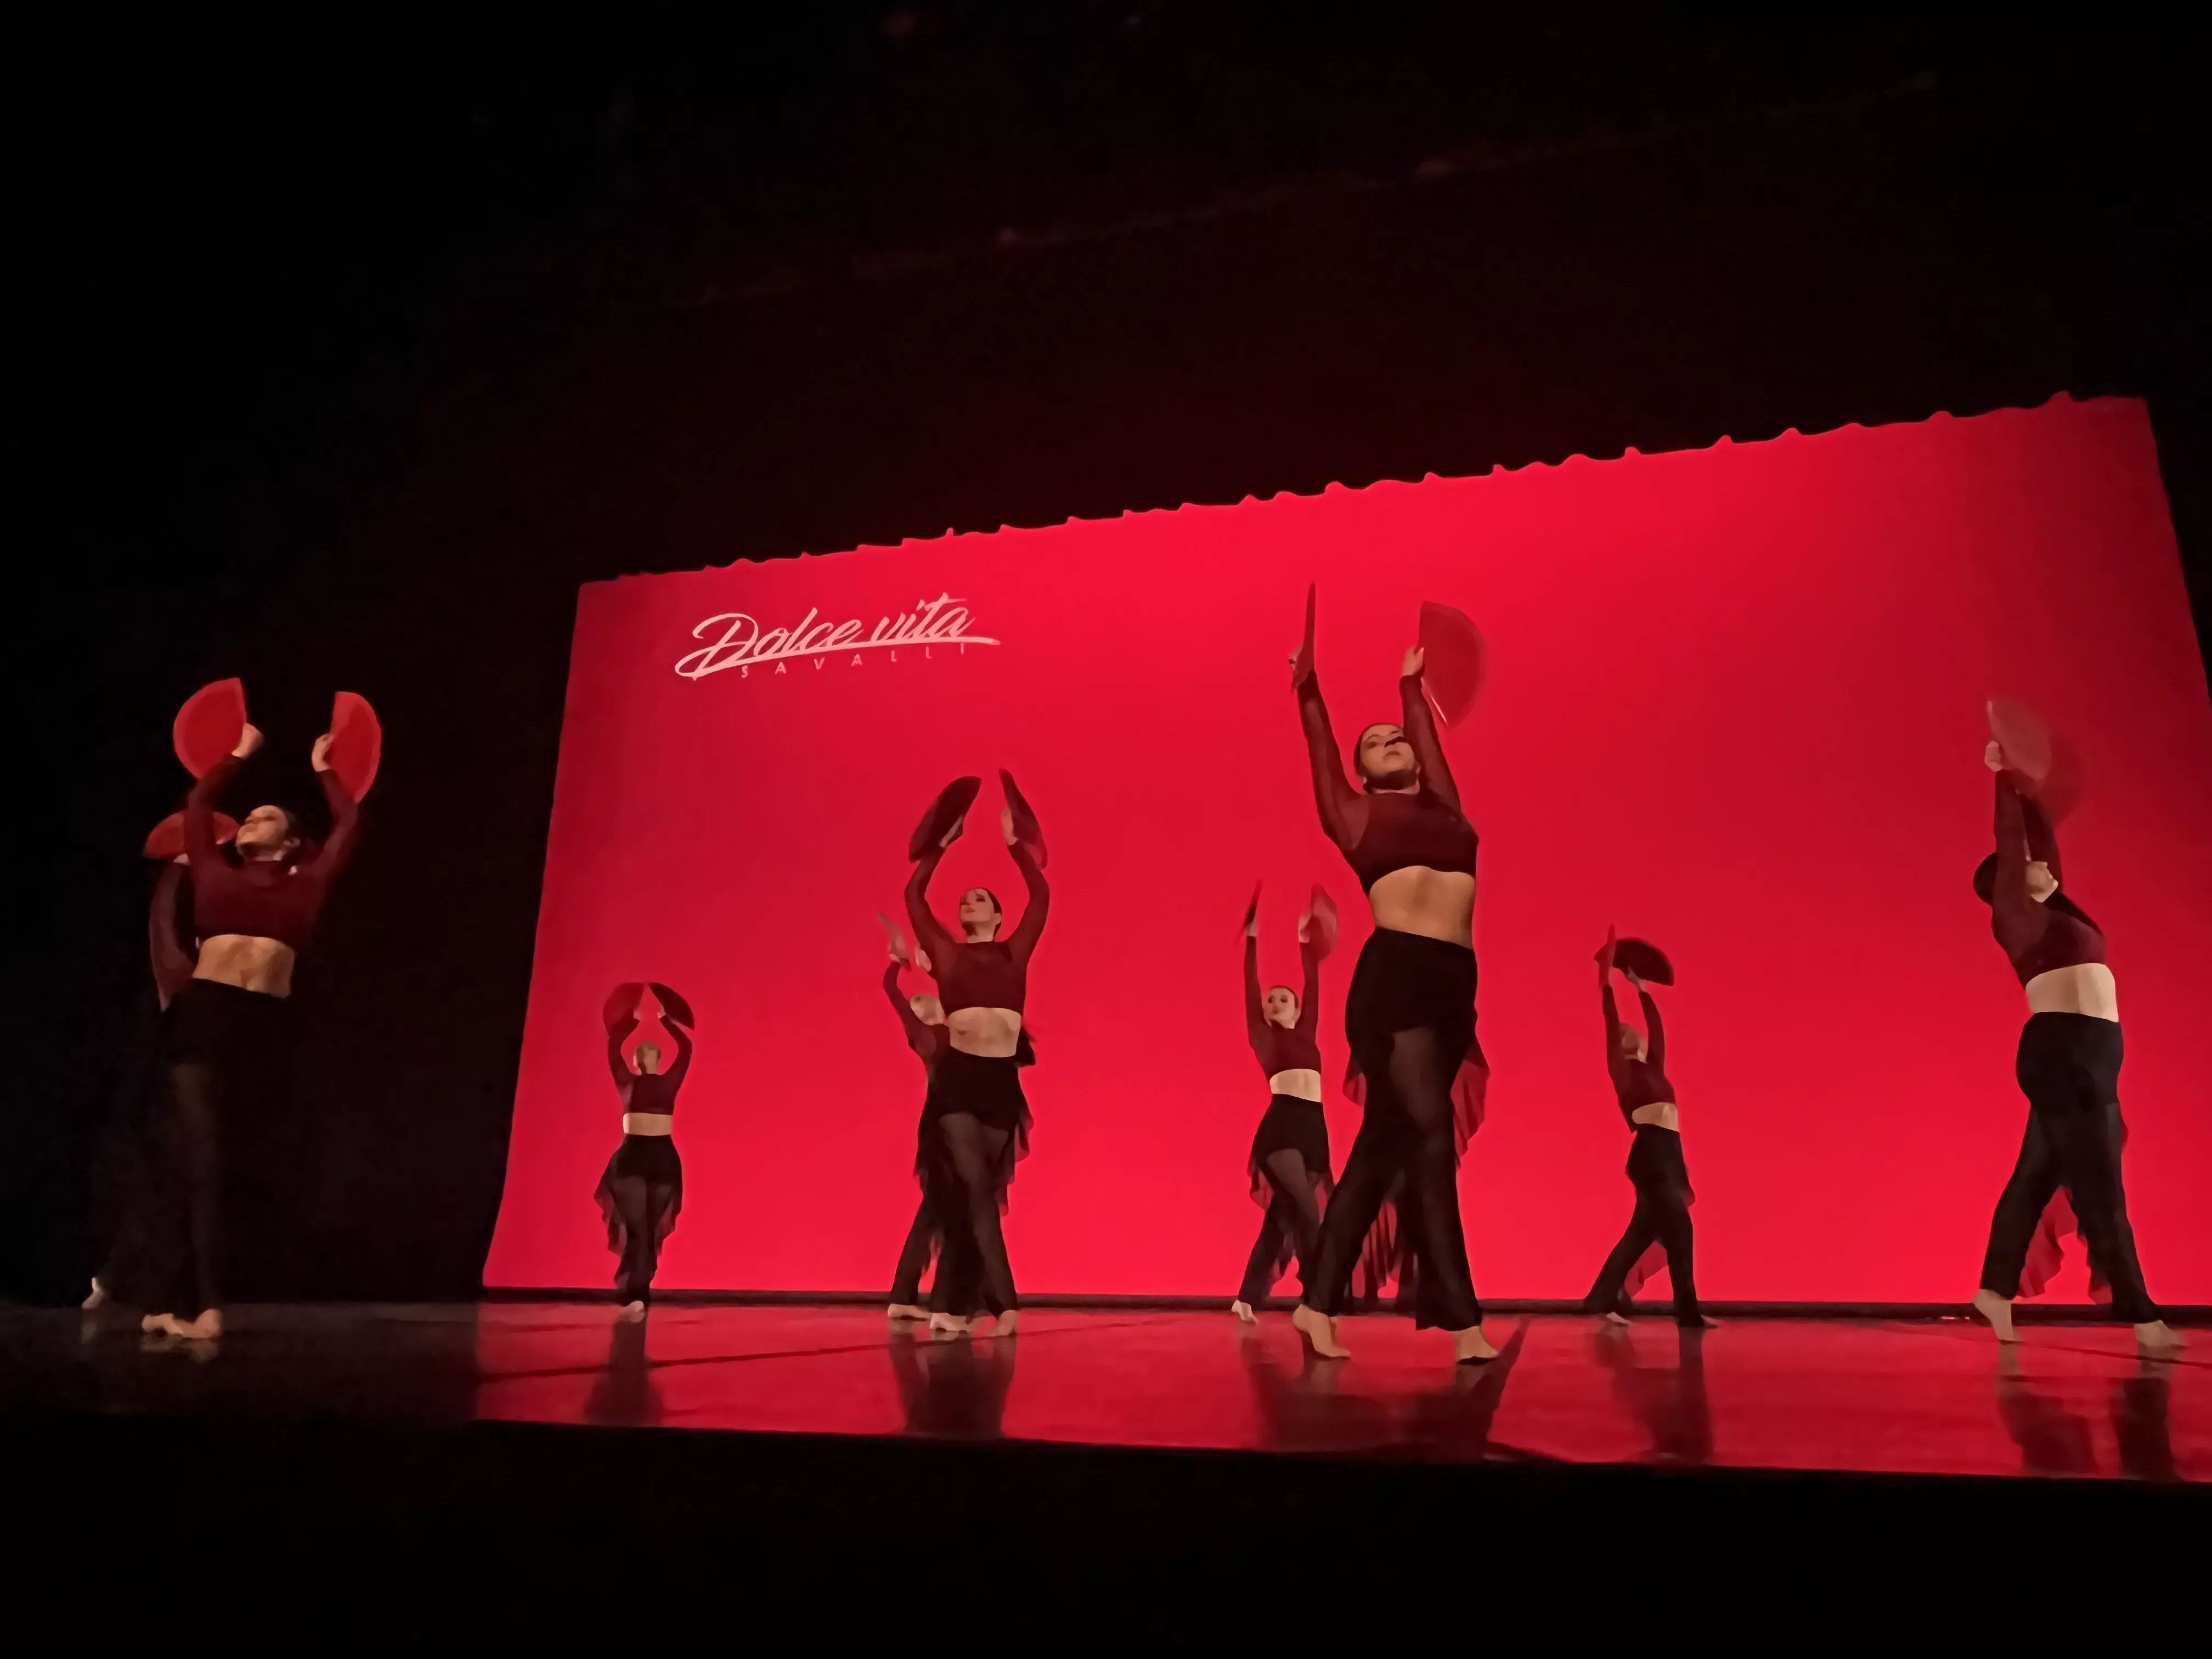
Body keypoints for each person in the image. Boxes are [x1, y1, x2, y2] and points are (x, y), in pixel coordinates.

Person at [1286, 634, 1496, 1363]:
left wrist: (1411, 691)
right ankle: (1463, 1319)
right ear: (1363, 774)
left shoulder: (1447, 808)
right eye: (1374, 744)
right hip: (1396, 980)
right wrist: (1309, 690)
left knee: (1381, 1153)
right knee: (1431, 1141)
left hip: (1453, 987)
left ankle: (1315, 1303)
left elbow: (1428, 741)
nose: (1390, 743)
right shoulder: (1356, 817)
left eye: (1396, 737)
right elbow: (1321, 752)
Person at [139, 721, 361, 1340]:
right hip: (204, 1018)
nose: (253, 822)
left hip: (266, 1026)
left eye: (267, 817)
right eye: (252, 817)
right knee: (198, 1159)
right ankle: (204, 1306)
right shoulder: (215, 872)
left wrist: (324, 768)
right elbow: (200, 804)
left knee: (223, 1162)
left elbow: (346, 826)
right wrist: (238, 751)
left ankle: (176, 1298)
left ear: (292, 844)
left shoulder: (308, 883)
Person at [1971, 744, 2181, 1352]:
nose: (2041, 865)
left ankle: (1993, 1291)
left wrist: (2033, 796)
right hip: (2063, 1054)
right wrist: (2001, 782)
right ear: (2005, 882)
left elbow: (2040, 847)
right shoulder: (2016, 915)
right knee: (2099, 1185)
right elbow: (2014, 844)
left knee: (2035, 1179)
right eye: (2026, 865)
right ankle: (2142, 1317)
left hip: (2089, 1052)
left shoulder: (2058, 912)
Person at [904, 787, 1049, 1339]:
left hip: (1000, 1084)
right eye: (964, 902)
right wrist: (941, 846)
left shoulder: (1015, 952)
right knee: (975, 1192)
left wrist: (1016, 847)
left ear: (998, 914)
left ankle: (950, 1305)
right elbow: (914, 895)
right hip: (958, 1084)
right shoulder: (948, 955)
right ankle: (1005, 1304)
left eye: (979, 901)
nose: (968, 906)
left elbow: (1041, 897)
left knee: (977, 1196)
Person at [1582, 928, 1706, 1326]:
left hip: (1670, 1153)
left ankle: (1601, 1301)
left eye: (1628, 1031)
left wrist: (1640, 987)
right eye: (1622, 1033)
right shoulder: (1624, 1071)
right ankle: (1686, 1314)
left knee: (1639, 1237)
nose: (1627, 1031)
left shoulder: (1653, 1066)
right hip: (1651, 1154)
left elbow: (1658, 1031)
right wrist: (1606, 980)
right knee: (1680, 1232)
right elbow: (1609, 1017)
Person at [1231, 892, 1334, 1321]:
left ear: (1296, 1009)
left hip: (1315, 1129)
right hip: (1282, 1130)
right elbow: (1250, 988)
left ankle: (1245, 1299)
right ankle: (1317, 1303)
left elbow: (1313, 982)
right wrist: (1252, 939)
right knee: (1310, 1214)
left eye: (1282, 999)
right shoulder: (1265, 1037)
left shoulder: (1307, 1031)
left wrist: (1302, 941)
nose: (1273, 1003)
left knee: (1281, 1222)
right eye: (1270, 1000)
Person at [595, 989, 694, 1319]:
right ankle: (633, 1294)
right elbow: (613, 1048)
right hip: (633, 1157)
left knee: (649, 1231)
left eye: (649, 1052)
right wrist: (631, 1023)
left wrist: (666, 1020)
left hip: (662, 1158)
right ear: (639, 1061)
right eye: (643, 1052)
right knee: (637, 1229)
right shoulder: (628, 1081)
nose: (645, 1055)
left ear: (657, 1060)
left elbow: (686, 1048)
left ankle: (641, 1292)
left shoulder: (669, 1083)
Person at [881, 928, 957, 1322]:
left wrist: (901, 965)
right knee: (953, 1209)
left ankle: (904, 1294)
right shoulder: (937, 1037)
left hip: (937, 1125)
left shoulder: (934, 1036)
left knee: (933, 1210)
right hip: (949, 1127)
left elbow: (896, 993)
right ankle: (939, 1299)